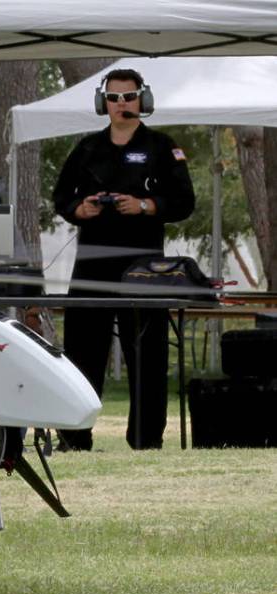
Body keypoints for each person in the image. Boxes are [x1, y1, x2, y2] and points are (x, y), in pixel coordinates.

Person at [52, 68, 194, 451]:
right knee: (82, 355)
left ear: (142, 100)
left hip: (144, 268)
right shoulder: (86, 149)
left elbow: (184, 202)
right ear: (104, 103)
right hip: (92, 266)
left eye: (129, 97)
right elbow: (62, 198)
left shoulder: (163, 147)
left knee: (147, 357)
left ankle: (146, 441)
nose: (121, 105)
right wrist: (80, 209)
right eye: (114, 98)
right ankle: (73, 439)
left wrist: (147, 205)